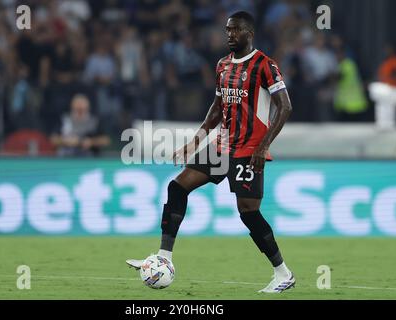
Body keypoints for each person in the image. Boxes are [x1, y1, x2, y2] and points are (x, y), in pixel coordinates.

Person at [126, 11, 295, 293]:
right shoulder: (222, 65)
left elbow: (285, 106)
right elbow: (218, 107)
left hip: (249, 149)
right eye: (227, 30)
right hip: (221, 147)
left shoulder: (265, 65)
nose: (229, 34)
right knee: (177, 187)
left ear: (249, 33)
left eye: (235, 30)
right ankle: (164, 257)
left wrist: (263, 146)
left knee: (248, 212)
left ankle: (283, 273)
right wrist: (196, 140)